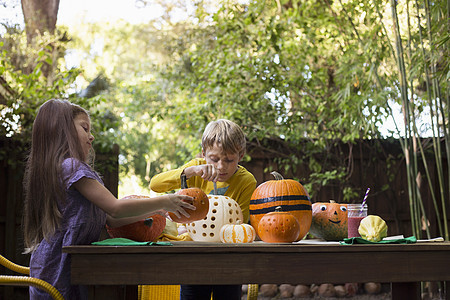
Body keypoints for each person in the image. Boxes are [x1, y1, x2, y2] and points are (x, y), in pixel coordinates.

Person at [22, 99, 195, 300]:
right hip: (57, 268)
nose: (91, 136)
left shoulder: (65, 168)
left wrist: (156, 212)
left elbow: (110, 220)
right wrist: (165, 200)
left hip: (62, 265)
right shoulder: (72, 167)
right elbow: (115, 208)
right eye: (84, 128)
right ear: (63, 131)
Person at [150, 119, 257, 300]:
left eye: (229, 160)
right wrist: (190, 172)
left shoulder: (246, 181)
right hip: (194, 256)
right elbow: (155, 184)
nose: (221, 166)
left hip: (229, 260)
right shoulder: (196, 169)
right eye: (214, 159)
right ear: (203, 154)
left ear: (241, 155)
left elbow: (239, 223)